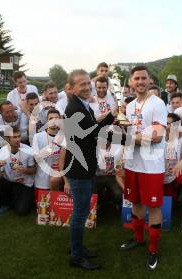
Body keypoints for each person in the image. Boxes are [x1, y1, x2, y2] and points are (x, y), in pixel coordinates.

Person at [63, 69, 117, 270]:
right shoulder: (76, 108)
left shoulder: (82, 105)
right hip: (79, 169)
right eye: (81, 84)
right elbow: (96, 132)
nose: (86, 87)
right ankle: (76, 256)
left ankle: (76, 247)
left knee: (81, 212)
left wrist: (112, 116)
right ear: (72, 88)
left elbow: (93, 126)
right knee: (80, 213)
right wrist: (130, 139)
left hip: (84, 166)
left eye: (88, 83)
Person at [120, 65, 167, 271]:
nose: (139, 82)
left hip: (152, 166)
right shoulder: (129, 107)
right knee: (135, 202)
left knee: (154, 207)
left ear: (149, 81)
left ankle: (153, 248)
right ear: (130, 82)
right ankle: (138, 238)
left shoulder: (157, 103)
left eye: (143, 78)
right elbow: (130, 133)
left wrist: (129, 139)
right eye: (136, 78)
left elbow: (156, 137)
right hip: (133, 163)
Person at [0, 126, 36, 216]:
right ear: (7, 139)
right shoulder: (1, 153)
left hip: (24, 184)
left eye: (19, 136)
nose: (18, 139)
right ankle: (5, 203)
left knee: (22, 212)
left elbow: (34, 170)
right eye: (14, 137)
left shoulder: (28, 150)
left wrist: (24, 170)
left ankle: (17, 199)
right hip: (9, 182)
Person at [32, 109, 65, 194]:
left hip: (62, 179)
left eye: (56, 118)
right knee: (44, 206)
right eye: (51, 119)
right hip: (43, 182)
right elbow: (37, 158)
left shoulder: (66, 136)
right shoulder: (38, 137)